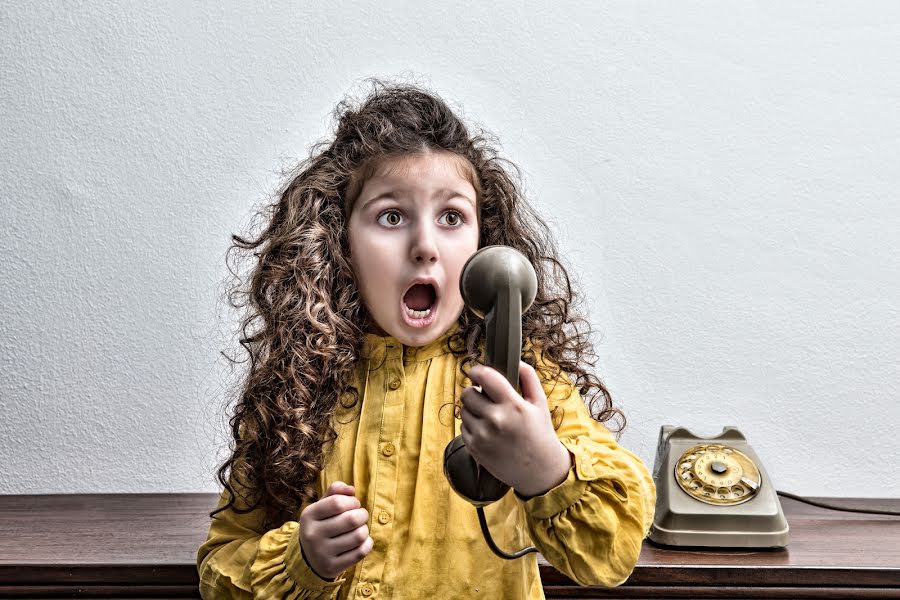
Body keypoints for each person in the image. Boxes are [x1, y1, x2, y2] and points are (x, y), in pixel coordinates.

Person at [196, 78, 656, 599]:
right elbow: (220, 566)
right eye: (392, 217)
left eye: (452, 217)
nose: (425, 247)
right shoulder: (296, 390)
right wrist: (303, 561)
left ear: (487, 245)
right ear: (339, 240)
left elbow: (612, 553)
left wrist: (544, 466)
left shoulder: (527, 386)